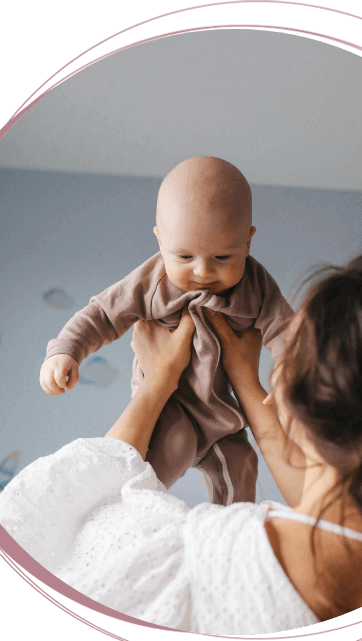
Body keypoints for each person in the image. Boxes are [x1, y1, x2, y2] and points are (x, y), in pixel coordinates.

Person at [0, 250, 362, 634]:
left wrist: (157, 384)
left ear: (300, 409)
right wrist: (249, 383)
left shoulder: (197, 560)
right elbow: (330, 503)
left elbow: (78, 505)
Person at [38, 156, 293, 506]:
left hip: (223, 418)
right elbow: (103, 314)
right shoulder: (152, 281)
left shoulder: (257, 286)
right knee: (148, 471)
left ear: (247, 242)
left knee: (242, 467)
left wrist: (290, 373)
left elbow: (286, 330)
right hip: (171, 411)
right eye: (185, 257)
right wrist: (67, 349)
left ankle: (227, 536)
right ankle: (129, 521)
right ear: (160, 242)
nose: (203, 271)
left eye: (222, 257)